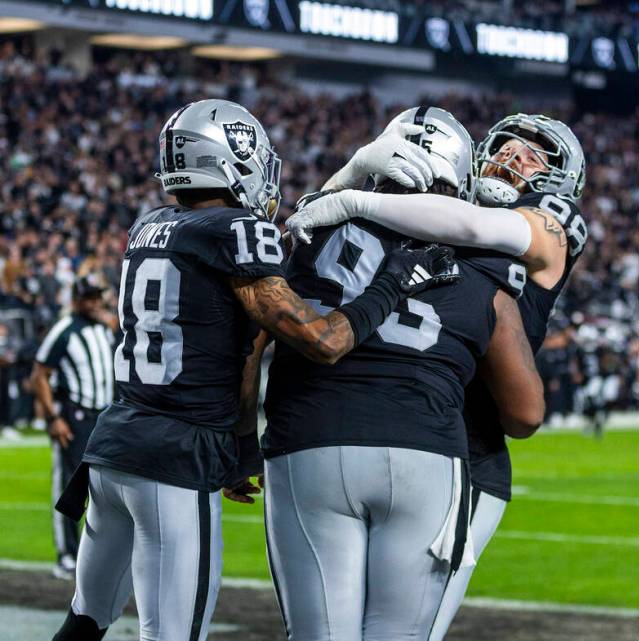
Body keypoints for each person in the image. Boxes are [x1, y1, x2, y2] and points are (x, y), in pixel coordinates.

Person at [50, 99, 454, 641]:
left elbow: (245, 331)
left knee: (84, 621)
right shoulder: (236, 230)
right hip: (174, 459)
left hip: (113, 449)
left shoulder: (152, 224)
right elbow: (322, 340)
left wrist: (242, 448)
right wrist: (393, 282)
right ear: (232, 160)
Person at [287, 111, 589, 639]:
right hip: (414, 430)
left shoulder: (538, 225)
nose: (513, 160)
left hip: (470, 449)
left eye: (535, 157)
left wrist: (351, 191)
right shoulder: (435, 210)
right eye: (507, 147)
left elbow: (469, 227)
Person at [31, 274, 116, 580]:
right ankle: (65, 554)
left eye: (98, 297)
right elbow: (39, 374)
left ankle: (94, 553)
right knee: (69, 486)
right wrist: (53, 418)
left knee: (106, 489)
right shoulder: (64, 330)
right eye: (89, 298)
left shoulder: (104, 329)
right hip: (75, 417)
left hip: (104, 417)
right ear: (77, 300)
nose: (95, 303)